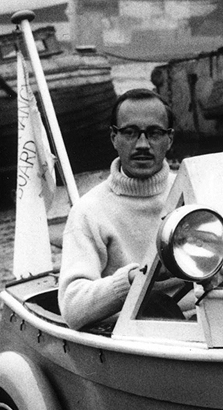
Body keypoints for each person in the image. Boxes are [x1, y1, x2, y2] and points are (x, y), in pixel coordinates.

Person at [58, 88, 176, 330]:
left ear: (170, 139)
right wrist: (135, 278)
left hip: (204, 323)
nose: (142, 144)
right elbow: (72, 307)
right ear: (114, 138)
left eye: (154, 133)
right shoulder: (88, 211)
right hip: (128, 337)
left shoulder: (195, 190)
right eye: (130, 132)